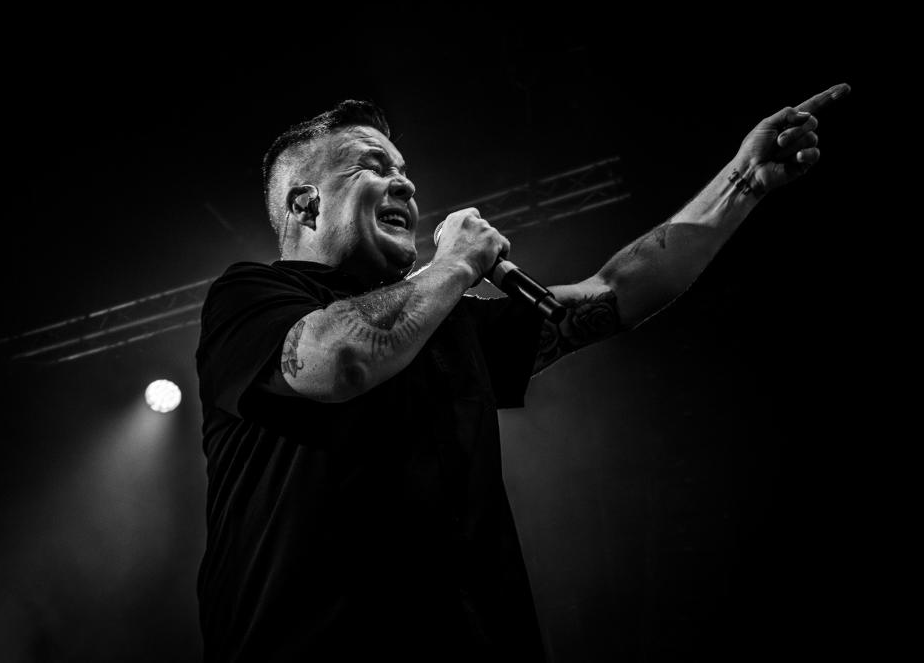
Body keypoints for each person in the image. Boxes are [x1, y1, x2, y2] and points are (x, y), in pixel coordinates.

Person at [194, 87, 849, 663]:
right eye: (374, 166)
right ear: (306, 205)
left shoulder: (449, 325)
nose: (407, 186)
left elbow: (617, 292)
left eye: (405, 171)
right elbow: (339, 360)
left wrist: (743, 179)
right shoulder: (251, 298)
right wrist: (454, 265)